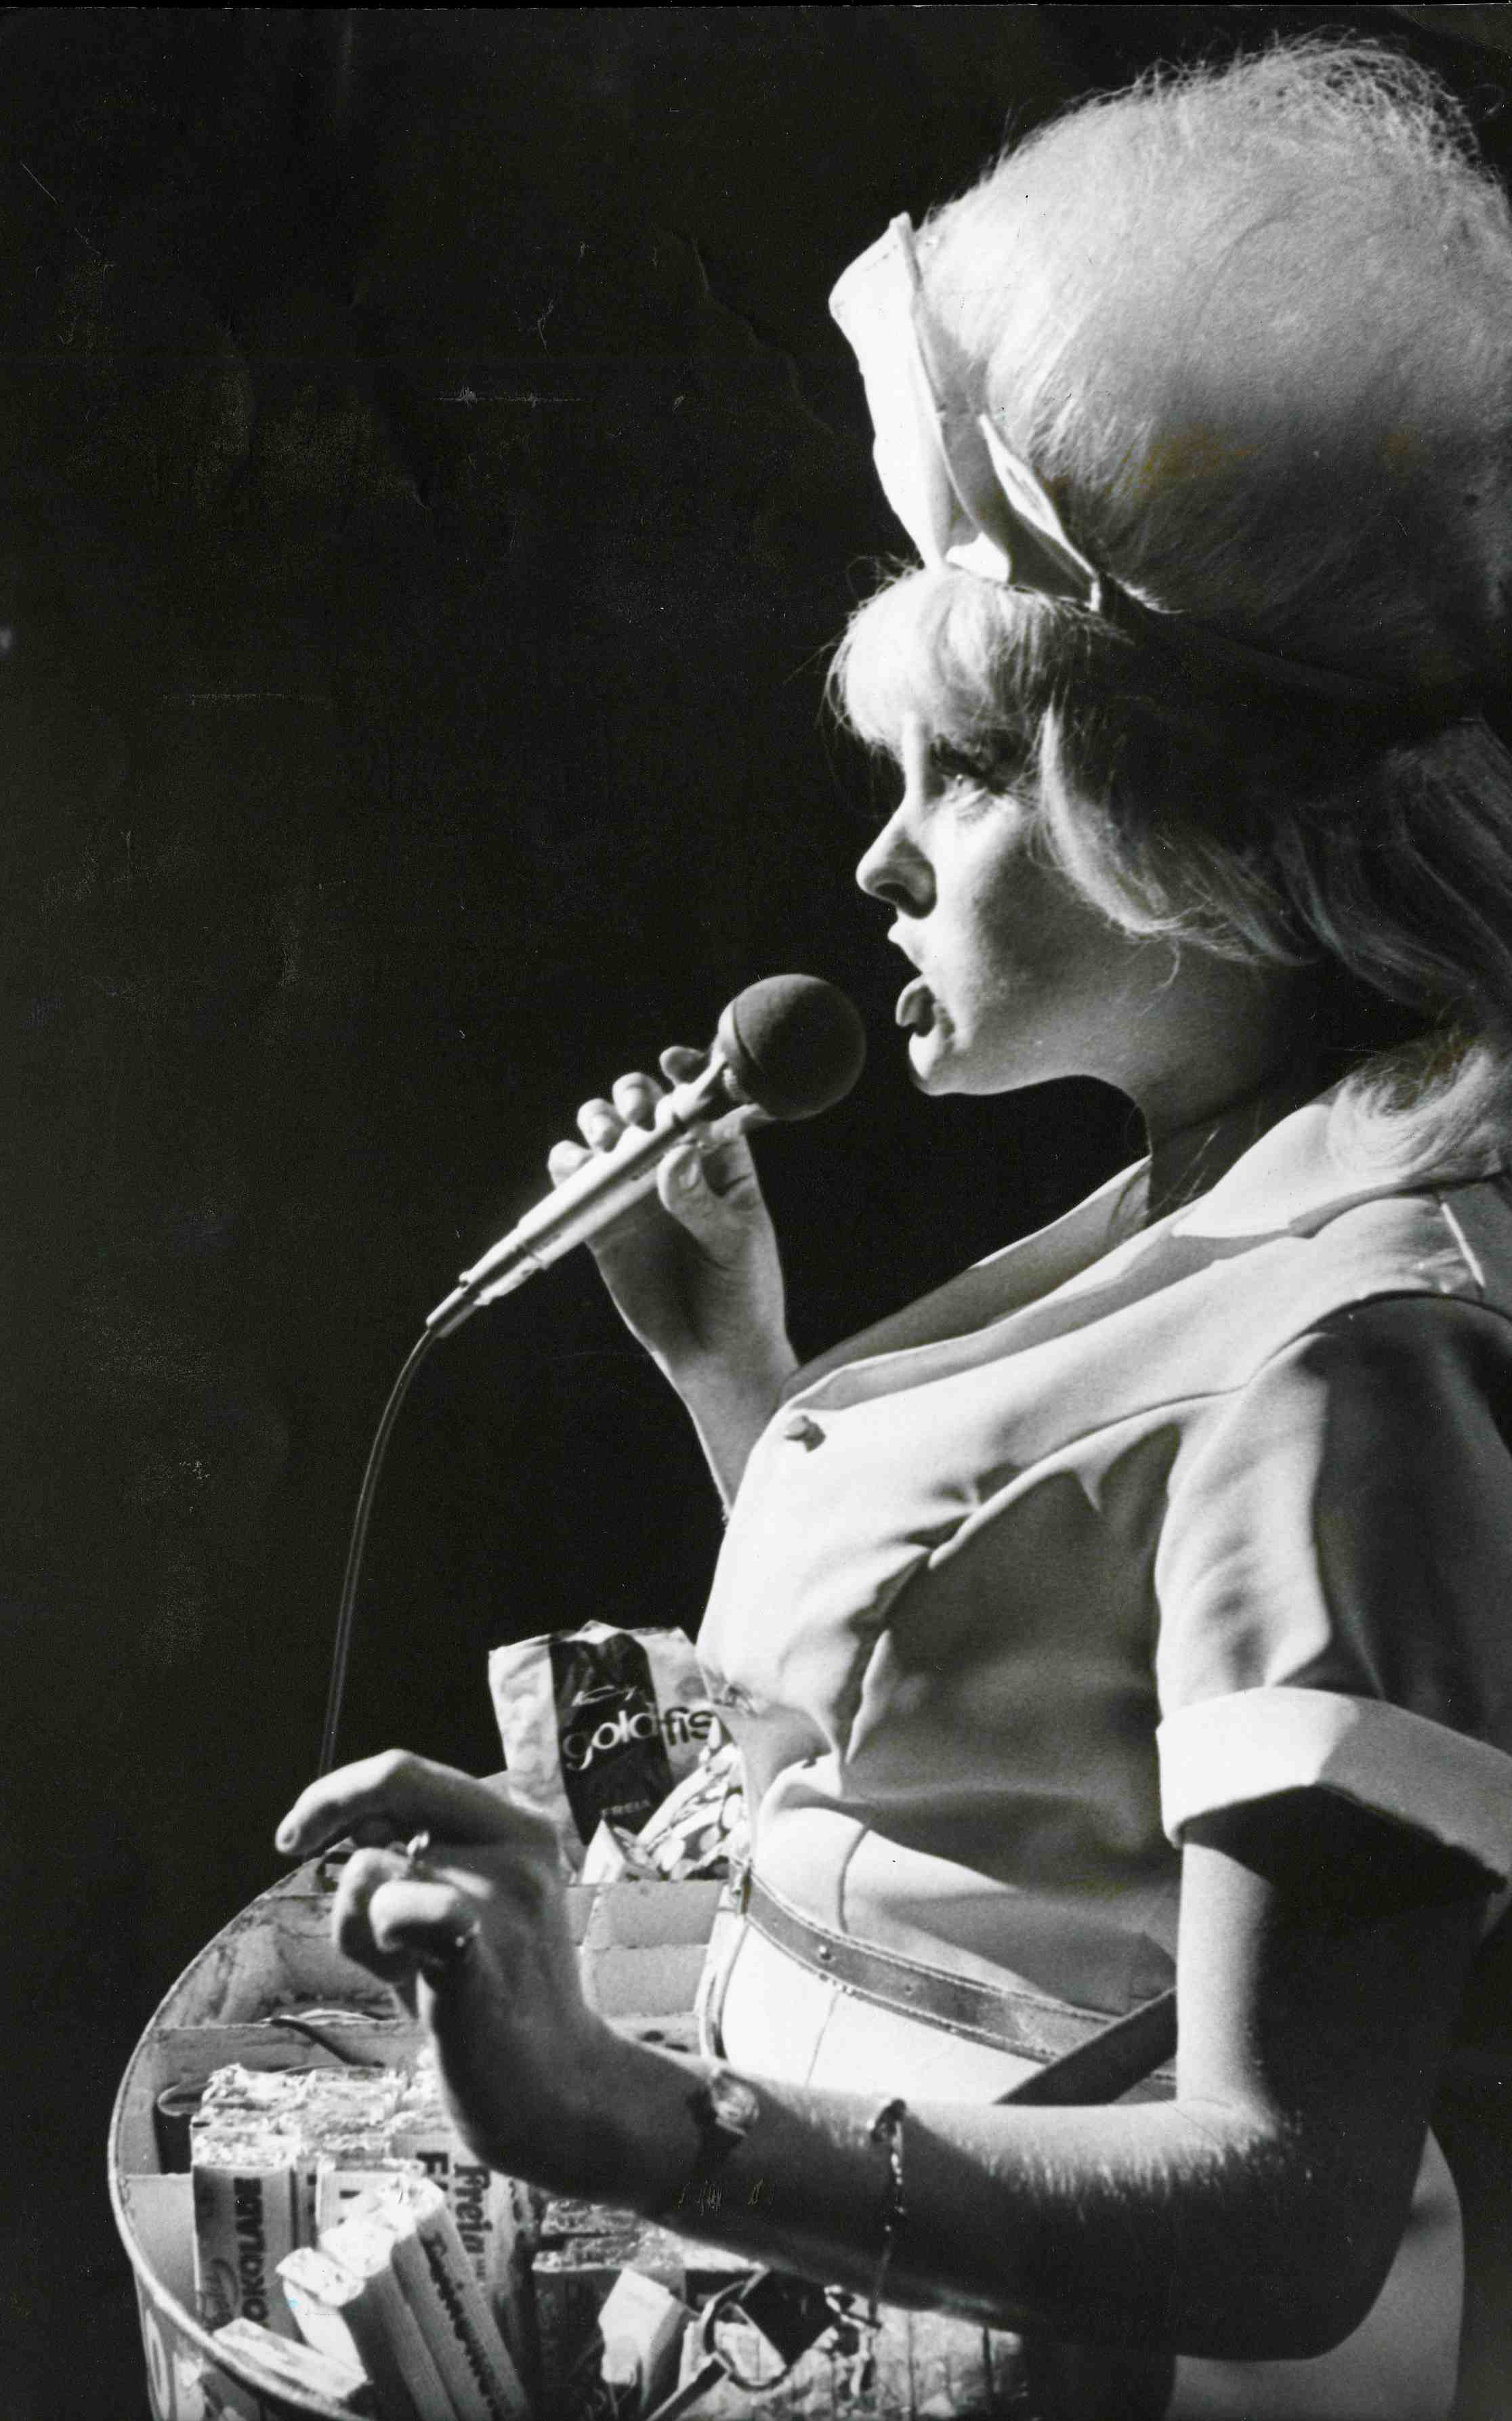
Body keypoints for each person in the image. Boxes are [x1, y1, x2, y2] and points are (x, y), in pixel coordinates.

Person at [278, 41, 1512, 2420]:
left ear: (1185, 829)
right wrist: (734, 1369)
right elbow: (1008, 1770)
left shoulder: (1362, 1355)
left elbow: (1285, 2207)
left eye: (958, 778)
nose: (879, 862)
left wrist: (618, 2117)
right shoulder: (1227, 1190)